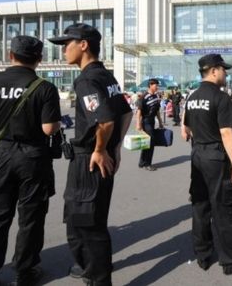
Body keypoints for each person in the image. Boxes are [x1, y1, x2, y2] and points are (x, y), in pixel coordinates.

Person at [0, 35, 61, 286]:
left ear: (10, 55)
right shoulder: (44, 87)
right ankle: (25, 271)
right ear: (39, 60)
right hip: (33, 158)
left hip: (0, 155)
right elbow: (49, 129)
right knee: (30, 217)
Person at [49, 23, 133, 286]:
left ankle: (97, 277)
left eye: (67, 44)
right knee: (83, 218)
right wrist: (114, 148)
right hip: (99, 153)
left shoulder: (86, 78)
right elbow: (125, 112)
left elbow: (106, 120)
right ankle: (89, 266)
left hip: (90, 158)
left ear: (83, 45)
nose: (63, 50)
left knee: (88, 223)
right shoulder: (106, 75)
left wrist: (100, 149)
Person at [181, 54, 232, 275]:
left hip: (198, 154)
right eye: (223, 69)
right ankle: (230, 261)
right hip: (215, 156)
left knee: (200, 205)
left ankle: (203, 255)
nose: (226, 73)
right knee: (223, 207)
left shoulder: (192, 97)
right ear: (213, 70)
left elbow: (187, 129)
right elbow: (226, 132)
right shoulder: (220, 97)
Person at [135, 78, 163, 171]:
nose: (157, 86)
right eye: (156, 85)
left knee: (146, 142)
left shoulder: (156, 97)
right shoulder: (143, 97)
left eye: (157, 85)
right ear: (150, 85)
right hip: (146, 121)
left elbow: (157, 111)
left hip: (152, 121)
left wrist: (160, 122)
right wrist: (138, 124)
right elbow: (139, 112)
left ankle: (142, 162)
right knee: (151, 142)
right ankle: (148, 163)